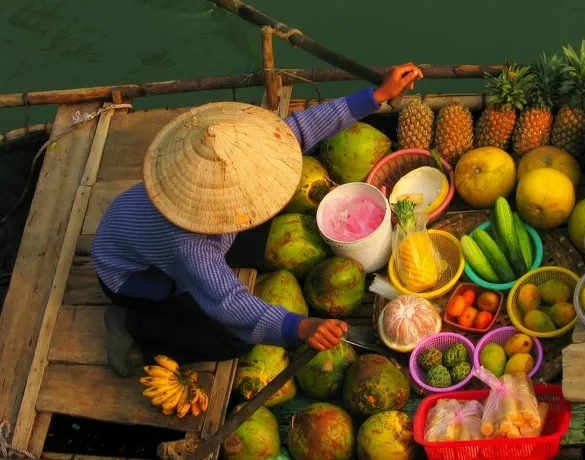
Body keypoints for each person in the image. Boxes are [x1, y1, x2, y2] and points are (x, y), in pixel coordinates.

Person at [91, 63, 423, 377]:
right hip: (139, 278)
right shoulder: (188, 247)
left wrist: (376, 95)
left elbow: (302, 129)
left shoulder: (221, 161)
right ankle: (130, 323)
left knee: (266, 222)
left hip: (151, 233)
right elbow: (227, 303)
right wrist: (299, 326)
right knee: (235, 340)